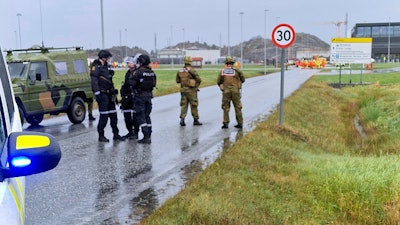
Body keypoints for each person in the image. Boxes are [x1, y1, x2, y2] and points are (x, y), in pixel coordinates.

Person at [90, 50, 124, 142]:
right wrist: (97, 94)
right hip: (102, 94)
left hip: (110, 94)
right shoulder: (96, 66)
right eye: (108, 57)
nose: (109, 59)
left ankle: (116, 134)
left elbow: (109, 80)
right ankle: (101, 135)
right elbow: (94, 82)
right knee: (104, 116)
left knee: (113, 115)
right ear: (104, 57)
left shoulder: (106, 66)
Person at [129, 54, 157, 144]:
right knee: (147, 116)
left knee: (141, 117)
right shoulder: (151, 72)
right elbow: (153, 84)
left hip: (140, 97)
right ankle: (149, 133)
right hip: (149, 96)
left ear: (140, 62)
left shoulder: (138, 72)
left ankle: (145, 136)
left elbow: (131, 83)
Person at [217, 56, 245, 129]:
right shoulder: (237, 71)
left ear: (226, 63)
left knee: (225, 108)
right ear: (233, 63)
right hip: (235, 91)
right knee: (238, 107)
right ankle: (240, 123)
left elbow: (218, 81)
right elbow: (243, 79)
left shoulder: (223, 71)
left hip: (226, 92)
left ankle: (225, 123)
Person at [176, 56, 202, 126]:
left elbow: (177, 81)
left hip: (183, 90)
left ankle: (182, 120)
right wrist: (195, 85)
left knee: (184, 105)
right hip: (191, 90)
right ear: (191, 62)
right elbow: (199, 79)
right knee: (194, 105)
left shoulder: (180, 70)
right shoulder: (192, 70)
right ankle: (196, 120)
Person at [120, 56, 139, 139]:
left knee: (135, 116)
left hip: (135, 96)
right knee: (126, 115)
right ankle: (130, 131)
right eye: (128, 63)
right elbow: (126, 84)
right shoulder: (128, 73)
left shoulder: (138, 72)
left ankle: (136, 132)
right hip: (127, 97)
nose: (128, 64)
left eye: (130, 63)